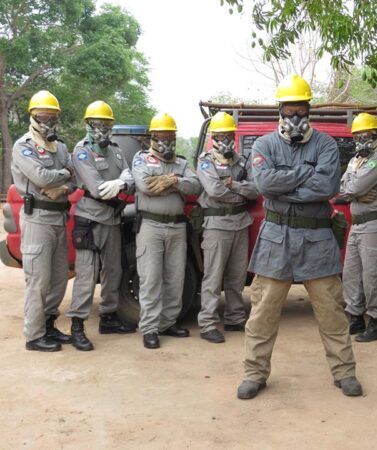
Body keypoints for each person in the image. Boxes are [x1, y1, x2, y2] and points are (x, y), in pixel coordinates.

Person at [237, 74, 362, 400]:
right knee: (262, 311)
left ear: (308, 111)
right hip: (276, 236)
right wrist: (306, 173)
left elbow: (327, 187)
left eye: (300, 111)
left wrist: (285, 182)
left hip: (317, 239)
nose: (294, 118)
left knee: (332, 310)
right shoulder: (265, 144)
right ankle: (254, 373)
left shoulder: (325, 144)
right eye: (288, 111)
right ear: (280, 111)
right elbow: (264, 184)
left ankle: (344, 372)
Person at [66, 100, 136, 351]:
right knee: (86, 274)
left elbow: (130, 177)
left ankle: (108, 316)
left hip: (113, 219)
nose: (102, 128)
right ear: (88, 124)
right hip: (91, 219)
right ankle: (77, 325)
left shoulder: (116, 150)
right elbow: (97, 188)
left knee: (113, 271)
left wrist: (120, 184)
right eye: (97, 123)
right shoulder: (81, 151)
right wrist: (121, 183)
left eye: (106, 123)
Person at [11, 90, 75, 351]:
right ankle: (34, 335)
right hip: (37, 218)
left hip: (58, 215)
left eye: (52, 116)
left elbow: (74, 176)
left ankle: (49, 323)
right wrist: (61, 176)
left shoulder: (59, 147)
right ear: (33, 116)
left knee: (59, 278)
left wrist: (60, 183)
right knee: (38, 280)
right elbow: (41, 178)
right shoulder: (23, 146)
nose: (48, 120)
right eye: (43, 116)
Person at [131, 112, 201, 349]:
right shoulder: (141, 159)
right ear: (152, 137)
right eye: (161, 136)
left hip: (177, 226)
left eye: (170, 136)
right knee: (151, 279)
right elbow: (146, 186)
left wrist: (174, 182)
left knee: (175, 278)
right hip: (151, 226)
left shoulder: (181, 162)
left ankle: (168, 322)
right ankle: (150, 328)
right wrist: (174, 183)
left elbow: (196, 186)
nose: (166, 141)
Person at [196, 111, 258, 343]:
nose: (225, 139)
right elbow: (214, 191)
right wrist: (240, 195)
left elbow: (255, 189)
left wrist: (235, 186)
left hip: (240, 224)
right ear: (213, 137)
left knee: (237, 276)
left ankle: (234, 318)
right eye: (221, 135)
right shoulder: (206, 161)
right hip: (217, 225)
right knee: (213, 277)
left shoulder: (242, 161)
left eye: (229, 134)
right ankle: (208, 323)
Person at [339, 113, 377, 342]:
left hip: (375, 224)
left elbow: (356, 185)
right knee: (351, 274)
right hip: (357, 225)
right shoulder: (354, 161)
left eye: (365, 135)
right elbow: (343, 187)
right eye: (357, 136)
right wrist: (357, 194)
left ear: (375, 135)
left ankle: (376, 321)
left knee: (372, 277)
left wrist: (354, 191)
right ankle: (355, 316)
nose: (360, 140)